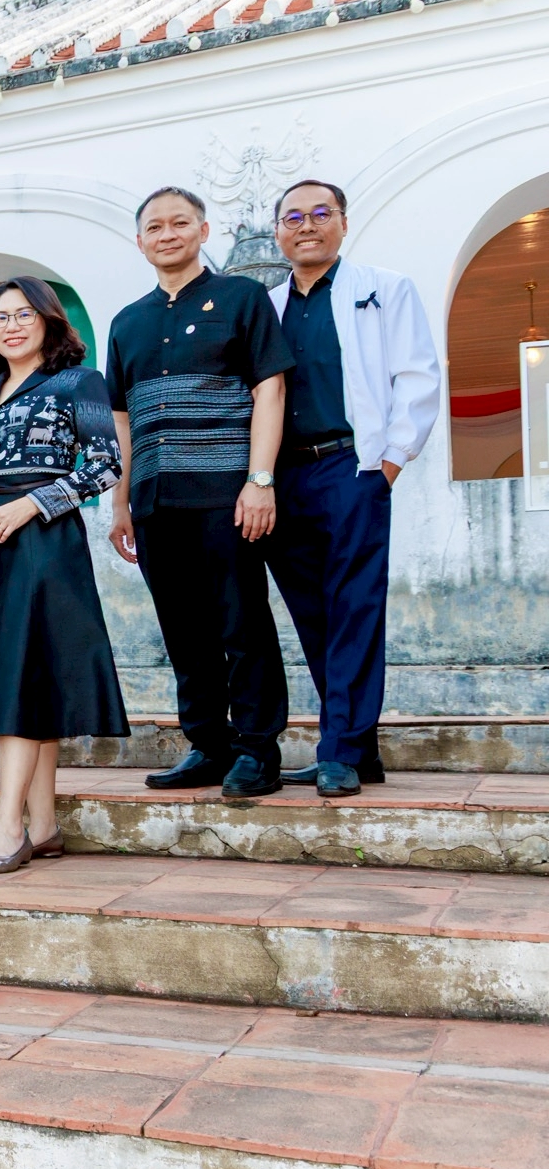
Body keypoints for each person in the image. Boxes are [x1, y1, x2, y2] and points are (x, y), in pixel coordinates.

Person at [0, 279, 131, 874]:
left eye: (24, 314)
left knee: (23, 679)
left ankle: (8, 825)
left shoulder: (80, 382)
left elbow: (105, 465)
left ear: (49, 320)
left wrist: (32, 504)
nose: (11, 325)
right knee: (22, 680)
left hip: (45, 545)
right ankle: (43, 826)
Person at [108, 186, 293, 800]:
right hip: (157, 503)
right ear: (140, 243)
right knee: (184, 629)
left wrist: (259, 480)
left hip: (227, 494)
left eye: (180, 223)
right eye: (154, 226)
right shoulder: (127, 322)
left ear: (203, 230)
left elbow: (270, 388)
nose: (168, 234)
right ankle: (208, 745)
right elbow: (123, 418)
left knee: (241, 623)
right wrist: (120, 502)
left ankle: (256, 751)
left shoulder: (242, 298)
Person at [264, 180, 441, 797]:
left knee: (355, 610)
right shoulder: (267, 304)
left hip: (353, 468)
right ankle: (357, 748)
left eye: (320, 213)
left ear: (342, 222)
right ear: (278, 230)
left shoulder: (383, 288)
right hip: (283, 478)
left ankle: (337, 748)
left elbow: (417, 375)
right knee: (314, 615)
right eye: (293, 216)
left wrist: (390, 463)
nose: (306, 225)